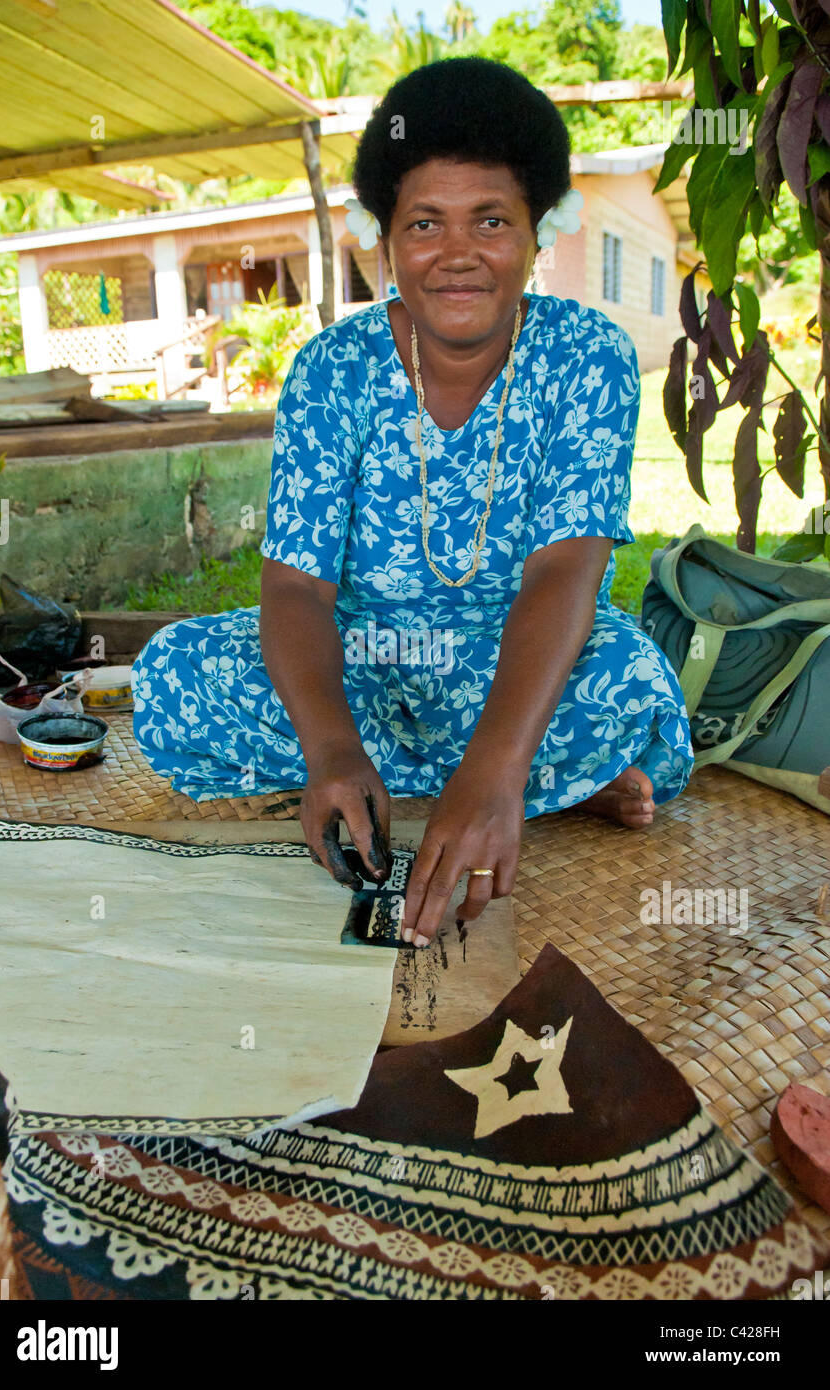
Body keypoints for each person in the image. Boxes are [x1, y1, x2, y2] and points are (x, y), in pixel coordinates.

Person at [131, 57, 694, 950]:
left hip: (513, 658)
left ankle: (501, 776)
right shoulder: (331, 368)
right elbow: (294, 592)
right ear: (386, 240)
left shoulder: (588, 354)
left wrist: (496, 766)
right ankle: (530, 779)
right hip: (361, 656)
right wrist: (330, 748)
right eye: (424, 222)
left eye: (491, 221)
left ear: (535, 233)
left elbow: (564, 573)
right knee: (175, 672)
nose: (458, 252)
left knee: (626, 677)